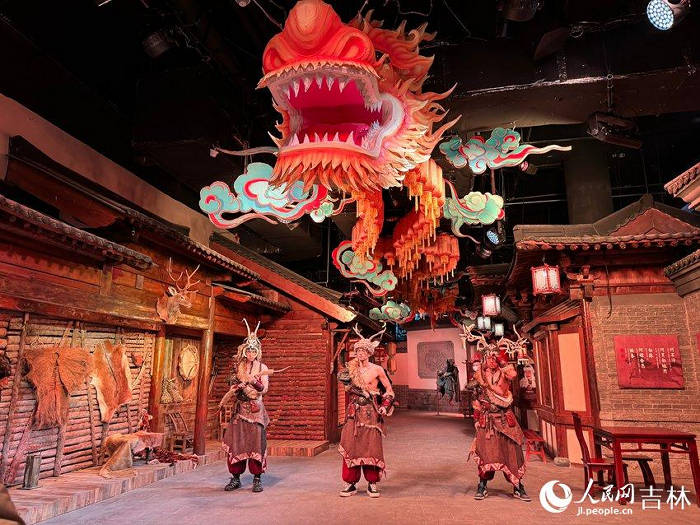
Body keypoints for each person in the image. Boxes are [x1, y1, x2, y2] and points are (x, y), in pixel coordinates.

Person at [338, 325, 395, 498]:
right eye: (358, 350)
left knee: (372, 448)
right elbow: (347, 386)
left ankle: (372, 482)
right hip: (354, 412)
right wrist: (357, 390)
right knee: (351, 446)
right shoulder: (351, 369)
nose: (360, 353)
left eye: (363, 350)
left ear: (369, 352)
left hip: (371, 412)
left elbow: (389, 390)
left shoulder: (377, 370)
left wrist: (385, 405)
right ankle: (350, 483)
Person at [468, 345, 530, 502]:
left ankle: (518, 486)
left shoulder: (505, 372)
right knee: (486, 453)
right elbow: (475, 400)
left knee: (512, 453)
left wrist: (502, 361)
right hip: (487, 420)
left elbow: (512, 374)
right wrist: (476, 419)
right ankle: (482, 485)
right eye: (489, 358)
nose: (491, 361)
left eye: (494, 358)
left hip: (505, 419)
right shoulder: (480, 375)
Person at [219, 319, 269, 493]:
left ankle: (257, 478)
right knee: (237, 443)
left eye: (254, 350)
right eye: (248, 350)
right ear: (244, 351)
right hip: (240, 409)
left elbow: (264, 389)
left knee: (256, 444)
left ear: (258, 352)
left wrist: (254, 382)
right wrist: (236, 387)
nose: (251, 353)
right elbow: (230, 384)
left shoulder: (262, 367)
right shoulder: (238, 367)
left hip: (256, 410)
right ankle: (235, 477)